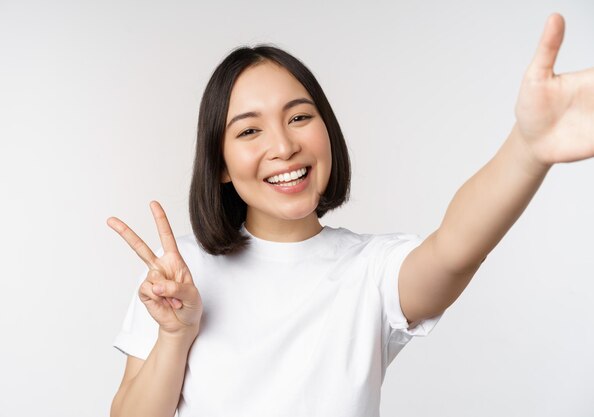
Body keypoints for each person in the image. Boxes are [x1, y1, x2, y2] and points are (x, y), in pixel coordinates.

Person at [107, 13, 593, 417]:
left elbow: (454, 250)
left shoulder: (372, 272)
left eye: (299, 117)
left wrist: (527, 149)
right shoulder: (180, 281)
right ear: (220, 168)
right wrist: (176, 335)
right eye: (249, 131)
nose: (284, 146)